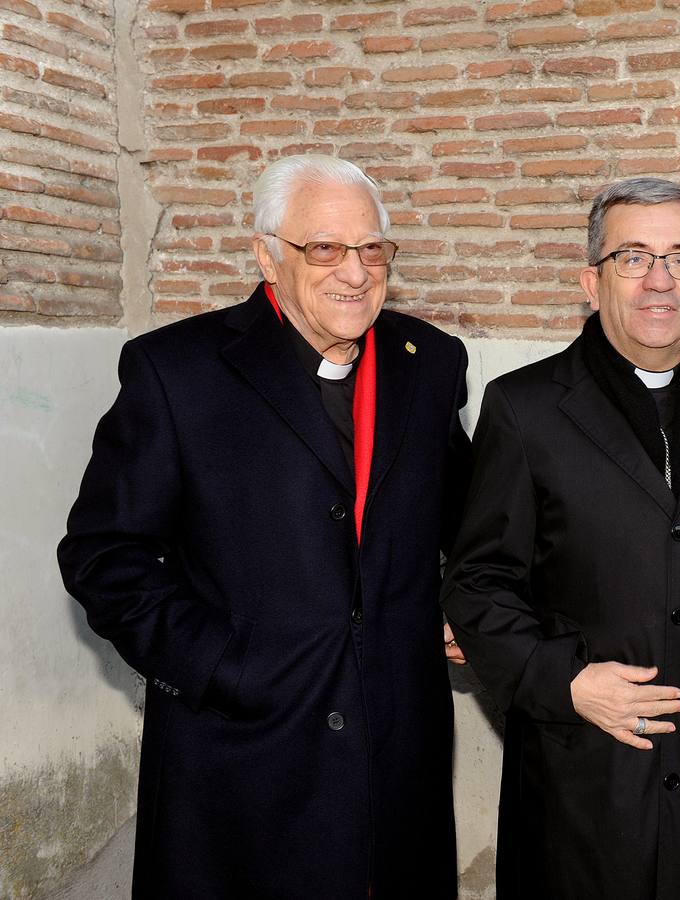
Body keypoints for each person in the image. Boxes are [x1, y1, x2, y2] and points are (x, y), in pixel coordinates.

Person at [57, 155, 470, 898]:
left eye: (372, 248)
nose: (354, 270)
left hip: (395, 747)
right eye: (324, 248)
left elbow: (469, 516)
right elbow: (103, 555)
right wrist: (220, 667)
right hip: (241, 752)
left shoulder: (429, 362)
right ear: (266, 254)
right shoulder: (177, 371)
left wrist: (467, 603)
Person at [442, 177, 680, 899]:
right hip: (583, 775)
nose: (659, 281)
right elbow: (480, 584)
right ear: (592, 280)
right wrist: (567, 683)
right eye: (633, 258)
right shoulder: (525, 409)